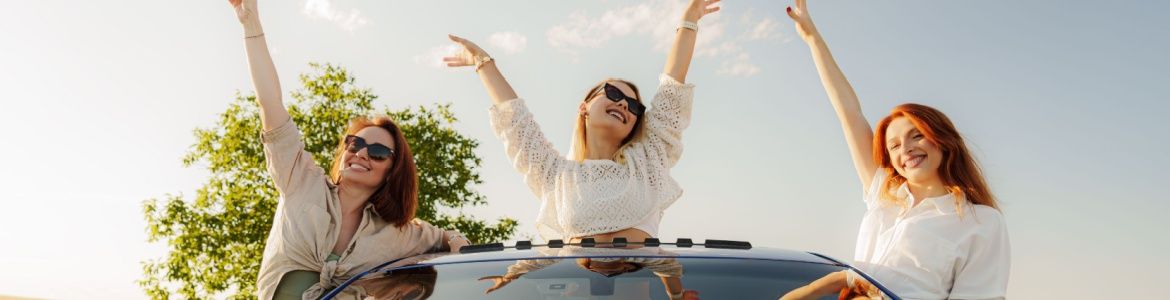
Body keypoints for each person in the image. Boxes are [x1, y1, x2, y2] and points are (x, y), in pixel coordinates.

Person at [227, 0, 469, 298]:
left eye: (379, 152)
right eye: (355, 143)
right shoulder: (300, 182)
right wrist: (251, 26)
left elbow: (446, 238)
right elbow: (270, 104)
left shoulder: (398, 233)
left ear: (393, 171)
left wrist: (459, 243)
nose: (362, 153)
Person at [783, 0, 1011, 298]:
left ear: (943, 139)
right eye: (894, 145)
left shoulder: (981, 222)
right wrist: (813, 39)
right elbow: (849, 113)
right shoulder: (883, 197)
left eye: (917, 136)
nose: (906, 149)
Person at [443, 0, 721, 244]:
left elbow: (671, 88)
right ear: (584, 107)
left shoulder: (648, 162)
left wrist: (689, 19)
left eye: (634, 105)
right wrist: (483, 62)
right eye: (613, 93)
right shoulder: (557, 175)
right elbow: (517, 123)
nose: (624, 103)